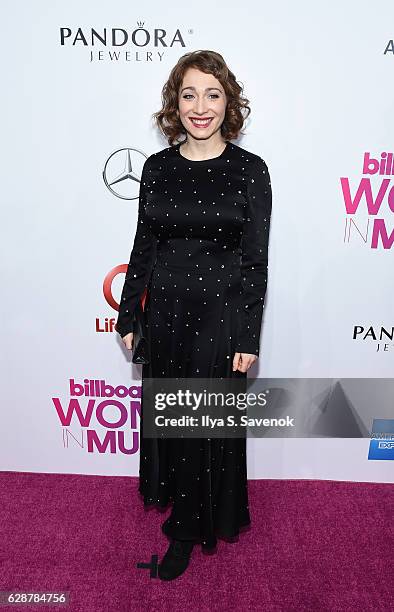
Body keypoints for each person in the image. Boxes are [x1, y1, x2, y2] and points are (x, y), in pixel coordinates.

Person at [115, 49, 272, 581]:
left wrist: (248, 334)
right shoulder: (157, 167)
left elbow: (255, 260)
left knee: (201, 421)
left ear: (228, 102)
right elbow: (144, 246)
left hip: (220, 317)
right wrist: (128, 318)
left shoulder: (250, 170)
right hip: (165, 313)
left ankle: (186, 531)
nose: (200, 107)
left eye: (212, 94)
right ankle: (186, 515)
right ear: (174, 104)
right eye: (189, 94)